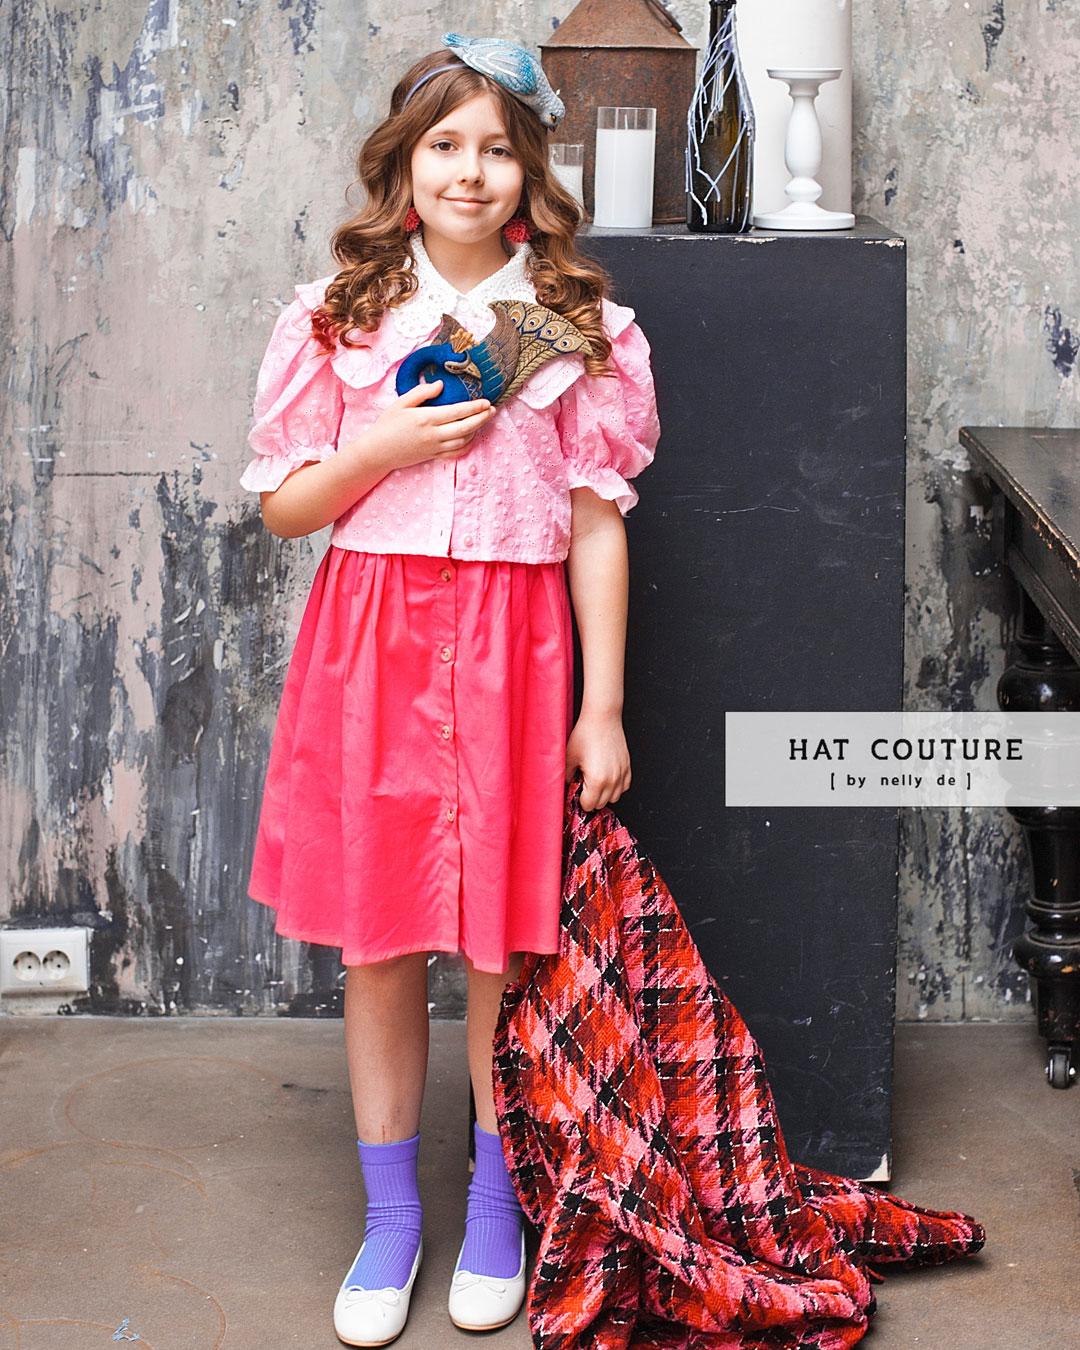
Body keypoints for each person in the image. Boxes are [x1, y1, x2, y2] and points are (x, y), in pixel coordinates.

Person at [238, 31, 660, 1348]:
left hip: (516, 645)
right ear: (403, 163)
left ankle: (492, 1201)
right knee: (379, 941)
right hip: (373, 644)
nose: (469, 172)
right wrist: (381, 444)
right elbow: (286, 508)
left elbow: (595, 523)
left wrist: (602, 705)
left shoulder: (574, 322)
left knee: (501, 944)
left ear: (531, 168)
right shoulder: (339, 314)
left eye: (496, 149)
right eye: (443, 146)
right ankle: (390, 1218)